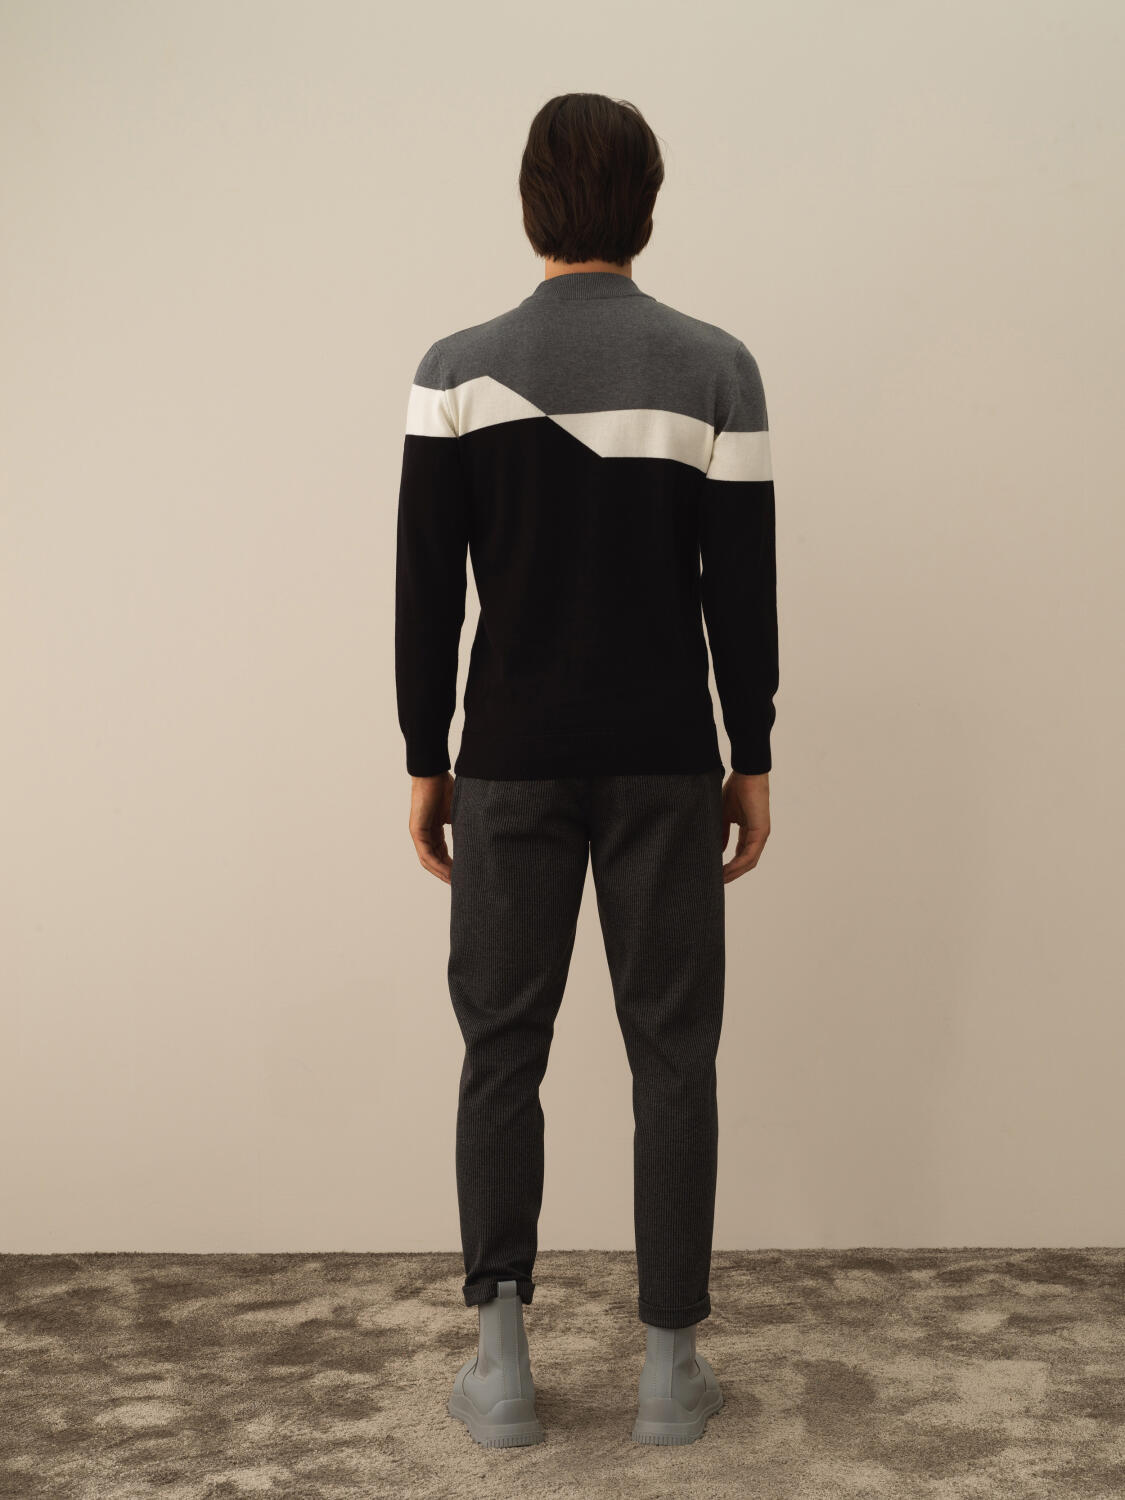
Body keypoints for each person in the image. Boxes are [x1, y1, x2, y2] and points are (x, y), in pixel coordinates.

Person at [394, 92, 778, 1448]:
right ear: (647, 206)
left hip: (506, 761)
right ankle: (670, 1372)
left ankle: (501, 1370)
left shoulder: (455, 370)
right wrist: (752, 752)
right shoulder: (717, 369)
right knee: (674, 1052)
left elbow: (426, 593)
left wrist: (424, 757)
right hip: (668, 760)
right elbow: (741, 590)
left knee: (501, 1047)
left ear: (529, 205)